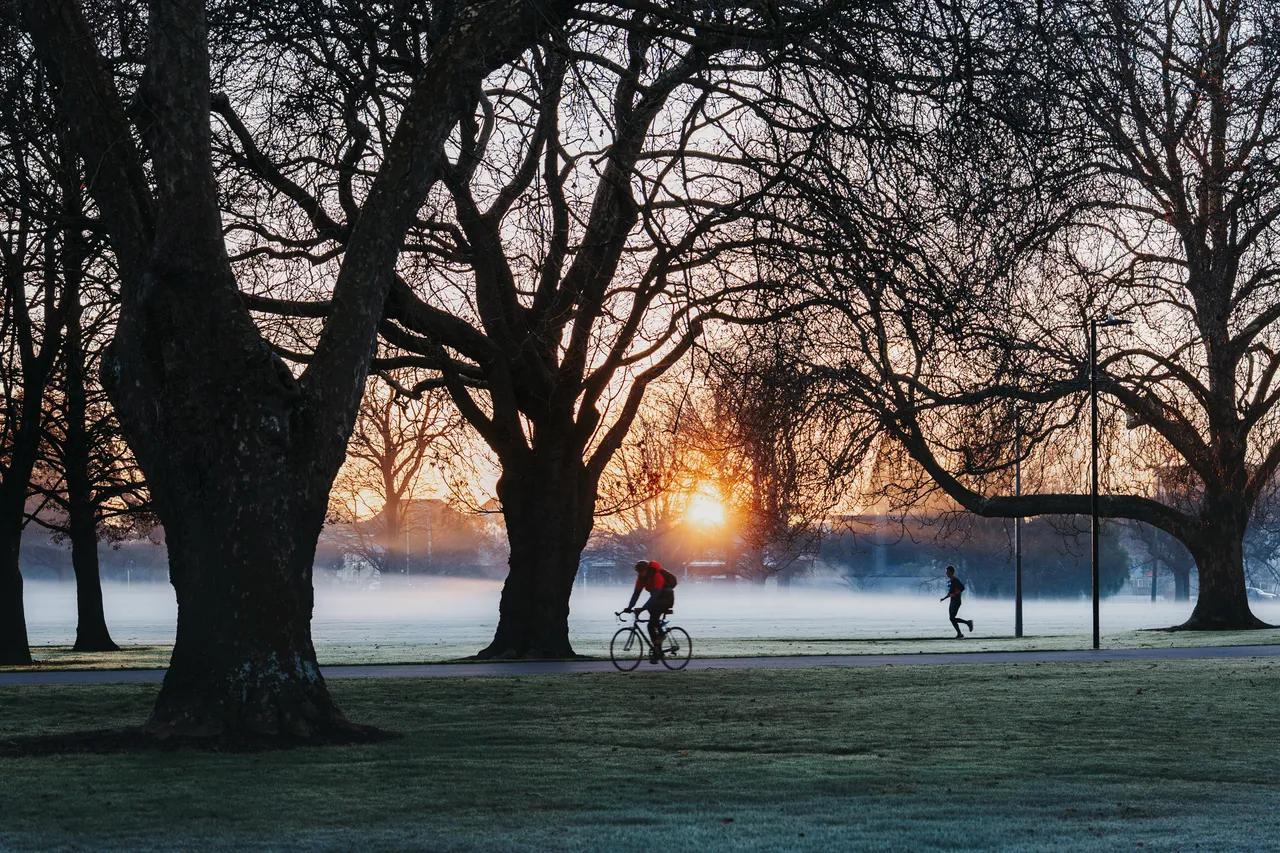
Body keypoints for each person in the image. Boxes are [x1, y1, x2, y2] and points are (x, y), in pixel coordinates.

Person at [624, 560, 677, 663]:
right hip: (657, 599)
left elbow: (655, 595)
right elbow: (636, 594)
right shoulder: (641, 579)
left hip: (667, 598)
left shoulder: (657, 576)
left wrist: (643, 608)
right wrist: (629, 607)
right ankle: (657, 651)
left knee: (653, 619)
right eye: (638, 571)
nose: (640, 573)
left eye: (642, 571)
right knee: (650, 625)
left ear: (647, 570)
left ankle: (662, 636)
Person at [940, 565, 974, 639]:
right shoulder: (950, 581)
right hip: (952, 601)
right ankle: (960, 633)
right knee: (951, 618)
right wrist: (944, 598)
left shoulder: (955, 580)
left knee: (952, 618)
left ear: (952, 572)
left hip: (956, 601)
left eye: (948, 572)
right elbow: (950, 593)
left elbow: (962, 588)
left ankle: (967, 623)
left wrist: (956, 593)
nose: (946, 574)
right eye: (946, 572)